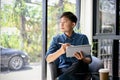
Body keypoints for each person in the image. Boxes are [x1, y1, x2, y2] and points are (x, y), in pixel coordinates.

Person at [46, 12, 92, 80]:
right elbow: (48, 59)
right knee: (75, 75)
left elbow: (89, 60)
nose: (61, 24)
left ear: (73, 24)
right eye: (60, 22)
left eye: (64, 22)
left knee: (79, 63)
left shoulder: (83, 38)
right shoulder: (56, 39)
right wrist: (61, 51)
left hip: (80, 68)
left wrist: (83, 59)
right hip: (65, 70)